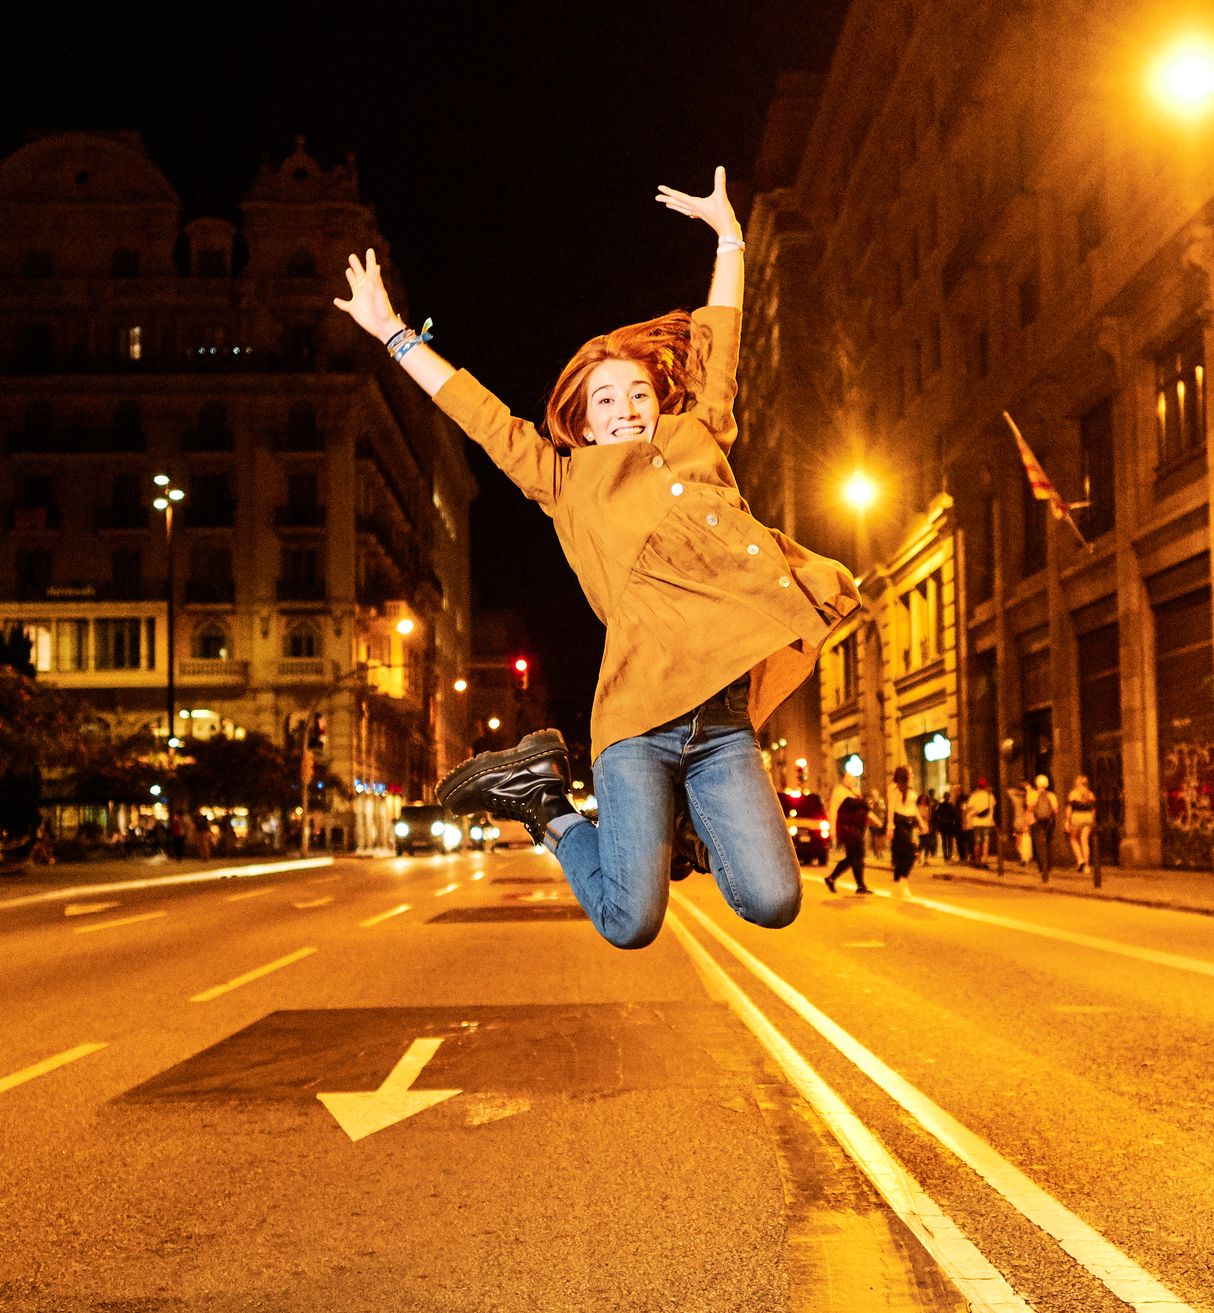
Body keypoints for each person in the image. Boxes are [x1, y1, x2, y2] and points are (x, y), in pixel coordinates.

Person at [338, 169, 860, 949]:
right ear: (580, 422)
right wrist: (393, 333)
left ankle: (687, 822)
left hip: (720, 726)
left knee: (773, 900)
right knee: (631, 921)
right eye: (606, 400)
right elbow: (479, 415)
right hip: (635, 723)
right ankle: (544, 804)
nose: (626, 410)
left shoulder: (696, 439)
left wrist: (729, 236)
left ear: (662, 402)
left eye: (640, 394)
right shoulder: (562, 476)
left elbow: (721, 337)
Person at [825, 789, 872, 894]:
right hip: (850, 831)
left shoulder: (856, 801)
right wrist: (832, 829)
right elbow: (834, 810)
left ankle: (832, 879)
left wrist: (876, 820)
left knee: (853, 858)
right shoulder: (846, 797)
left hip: (854, 831)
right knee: (857, 857)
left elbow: (867, 813)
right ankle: (859, 885)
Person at [885, 766, 919, 886]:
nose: (912, 774)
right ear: (905, 775)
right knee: (912, 852)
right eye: (910, 773)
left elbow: (913, 807)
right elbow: (891, 808)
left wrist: (921, 821)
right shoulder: (894, 788)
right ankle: (902, 879)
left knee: (903, 855)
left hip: (909, 823)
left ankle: (896, 882)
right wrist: (890, 826)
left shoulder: (908, 788)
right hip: (899, 823)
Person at [1027, 774, 1058, 877]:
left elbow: (1029, 809)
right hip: (1048, 822)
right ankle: (1048, 866)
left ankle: (1042, 867)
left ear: (1036, 784)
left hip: (1035, 822)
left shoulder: (1031, 795)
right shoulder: (1051, 795)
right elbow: (1055, 810)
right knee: (1047, 843)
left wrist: (1027, 822)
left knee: (1038, 844)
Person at [1065, 775, 1098, 872]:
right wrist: (1092, 819)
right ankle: (1087, 866)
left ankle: (1080, 859)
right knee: (1085, 841)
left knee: (1073, 839)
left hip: (1077, 817)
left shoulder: (1073, 794)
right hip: (1088, 817)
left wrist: (1067, 821)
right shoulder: (1090, 794)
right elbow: (1093, 809)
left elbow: (1069, 808)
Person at [965, 778, 997, 867]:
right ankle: (984, 860)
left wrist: (972, 813)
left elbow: (968, 808)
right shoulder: (990, 796)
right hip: (987, 822)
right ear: (986, 786)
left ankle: (977, 860)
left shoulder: (974, 796)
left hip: (976, 822)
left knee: (977, 842)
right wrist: (992, 820)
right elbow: (992, 810)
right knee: (986, 842)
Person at [934, 791, 961, 861]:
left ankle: (946, 855)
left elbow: (937, 815)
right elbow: (954, 815)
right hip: (948, 824)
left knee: (945, 840)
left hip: (944, 824)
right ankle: (948, 854)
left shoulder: (942, 805)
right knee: (948, 840)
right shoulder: (950, 805)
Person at [916, 790, 937, 863]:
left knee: (928, 843)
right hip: (920, 826)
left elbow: (929, 816)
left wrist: (928, 817)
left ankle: (926, 859)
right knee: (922, 843)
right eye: (922, 799)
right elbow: (917, 816)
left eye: (924, 799)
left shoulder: (927, 807)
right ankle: (918, 853)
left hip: (926, 825)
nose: (923, 801)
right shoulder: (917, 807)